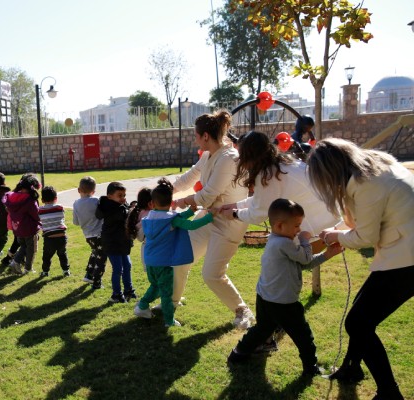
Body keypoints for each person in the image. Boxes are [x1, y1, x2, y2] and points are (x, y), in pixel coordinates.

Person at [309, 138, 414, 400]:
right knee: (360, 314)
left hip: (408, 257)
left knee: (358, 322)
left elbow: (366, 236)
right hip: (403, 249)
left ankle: (389, 393)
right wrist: (338, 232)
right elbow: (373, 220)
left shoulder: (367, 184)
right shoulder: (374, 166)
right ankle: (352, 368)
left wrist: (336, 237)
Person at [227, 199, 343, 376]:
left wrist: (327, 254)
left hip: (266, 298)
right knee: (303, 336)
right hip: (284, 303)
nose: (299, 230)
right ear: (280, 226)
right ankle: (310, 368)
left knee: (262, 329)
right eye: (297, 226)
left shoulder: (277, 240)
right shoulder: (284, 243)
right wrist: (304, 241)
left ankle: (239, 353)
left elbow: (303, 264)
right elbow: (304, 258)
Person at [171, 110, 253, 329]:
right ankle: (171, 303)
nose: (195, 139)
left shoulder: (229, 158)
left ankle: (242, 310)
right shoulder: (209, 155)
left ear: (205, 136)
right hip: (209, 217)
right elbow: (191, 176)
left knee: (212, 274)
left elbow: (208, 195)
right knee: (180, 258)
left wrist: (182, 201)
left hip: (229, 222)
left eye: (196, 135)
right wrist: (168, 190)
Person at [219, 131, 341, 254]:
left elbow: (257, 214)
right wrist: (236, 206)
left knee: (276, 266)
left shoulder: (267, 175)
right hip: (331, 222)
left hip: (315, 233)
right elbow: (264, 199)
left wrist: (235, 214)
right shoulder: (283, 164)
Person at [133, 178, 214, 328]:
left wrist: (190, 211)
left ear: (152, 203)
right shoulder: (171, 219)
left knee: (155, 286)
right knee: (166, 293)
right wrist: (210, 216)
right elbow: (191, 225)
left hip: (150, 261)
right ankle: (169, 321)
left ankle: (142, 306)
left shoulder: (149, 217)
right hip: (164, 263)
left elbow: (175, 219)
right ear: (171, 203)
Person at [96, 181, 136, 303]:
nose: (123, 198)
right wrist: (133, 209)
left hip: (122, 241)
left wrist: (132, 207)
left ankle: (128, 290)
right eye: (120, 195)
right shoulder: (109, 207)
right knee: (118, 268)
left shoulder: (120, 205)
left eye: (124, 195)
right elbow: (124, 215)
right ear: (109, 196)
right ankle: (116, 295)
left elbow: (126, 212)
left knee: (127, 265)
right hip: (112, 242)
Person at [3, 174, 41, 274]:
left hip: (18, 229)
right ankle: (28, 268)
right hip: (29, 229)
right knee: (31, 249)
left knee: (24, 247)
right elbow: (36, 215)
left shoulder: (13, 197)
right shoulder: (30, 200)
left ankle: (15, 262)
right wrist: (41, 222)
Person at [73, 176, 106, 289]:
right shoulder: (96, 201)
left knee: (95, 252)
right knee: (101, 258)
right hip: (100, 234)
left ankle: (89, 274)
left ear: (78, 190)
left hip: (88, 236)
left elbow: (76, 222)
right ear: (94, 191)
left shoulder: (76, 203)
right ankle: (97, 282)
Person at [38, 186, 70, 278]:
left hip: (49, 238)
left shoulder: (40, 210)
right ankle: (66, 270)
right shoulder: (60, 207)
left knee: (47, 256)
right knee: (62, 254)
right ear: (55, 198)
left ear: (42, 200)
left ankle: (45, 272)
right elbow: (62, 217)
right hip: (62, 237)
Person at [126, 187, 153, 273]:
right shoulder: (151, 214)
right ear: (150, 203)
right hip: (153, 250)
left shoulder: (138, 213)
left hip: (146, 250)